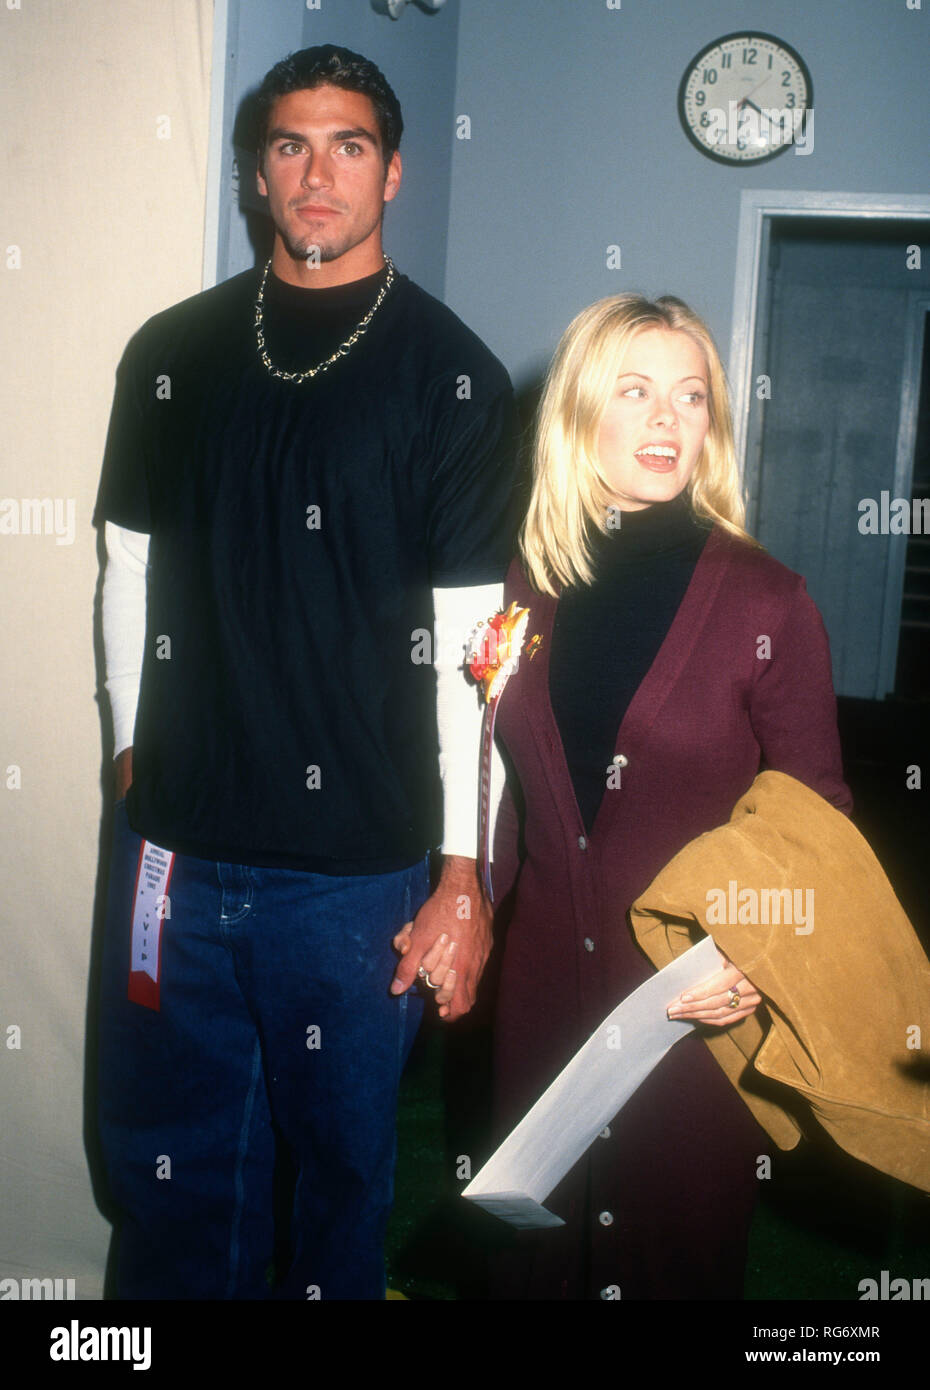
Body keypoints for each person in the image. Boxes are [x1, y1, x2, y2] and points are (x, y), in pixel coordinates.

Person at [94, 44, 517, 1300]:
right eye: (289, 145)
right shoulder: (172, 354)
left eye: (346, 146)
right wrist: (132, 749)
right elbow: (128, 564)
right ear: (257, 171)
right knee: (168, 1179)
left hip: (355, 884)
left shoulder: (453, 378)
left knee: (337, 1187)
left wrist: (464, 869)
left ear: (392, 171)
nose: (316, 172)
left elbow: (473, 647)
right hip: (175, 851)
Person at [482, 292, 852, 1300]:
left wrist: (757, 953)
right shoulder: (525, 586)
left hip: (694, 1000)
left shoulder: (768, 599)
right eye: (635, 391)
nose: (666, 420)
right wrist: (460, 900)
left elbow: (821, 821)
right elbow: (511, 795)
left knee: (671, 1260)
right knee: (533, 1260)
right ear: (577, 414)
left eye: (691, 396)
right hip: (542, 996)